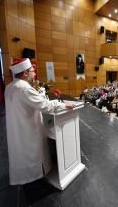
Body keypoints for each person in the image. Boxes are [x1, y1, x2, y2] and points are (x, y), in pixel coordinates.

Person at [5, 58, 74, 186]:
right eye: (32, 71)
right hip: (28, 130)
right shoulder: (24, 88)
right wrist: (63, 104)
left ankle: (24, 175)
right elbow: (45, 106)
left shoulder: (9, 87)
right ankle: (34, 177)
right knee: (33, 154)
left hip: (17, 129)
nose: (34, 73)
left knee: (21, 154)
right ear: (25, 73)